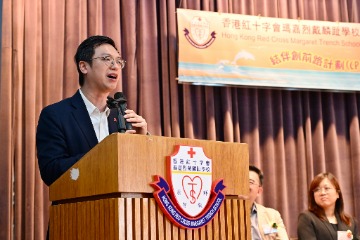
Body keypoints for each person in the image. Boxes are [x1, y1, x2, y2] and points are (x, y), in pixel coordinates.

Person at [36, 35, 148, 186]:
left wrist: (144, 141)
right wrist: (106, 153)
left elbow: (140, 173)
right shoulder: (56, 115)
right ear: (84, 67)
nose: (115, 66)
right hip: (79, 206)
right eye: (107, 59)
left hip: (123, 207)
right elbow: (52, 172)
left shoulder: (123, 116)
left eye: (119, 61)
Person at [297, 172, 359, 240]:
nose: (322, 193)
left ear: (337, 194)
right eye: (317, 190)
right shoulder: (307, 218)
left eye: (326, 188)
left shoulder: (350, 221)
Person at [249, 165, 289, 240]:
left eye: (250, 182)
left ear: (259, 191)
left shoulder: (272, 216)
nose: (244, 185)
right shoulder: (223, 214)